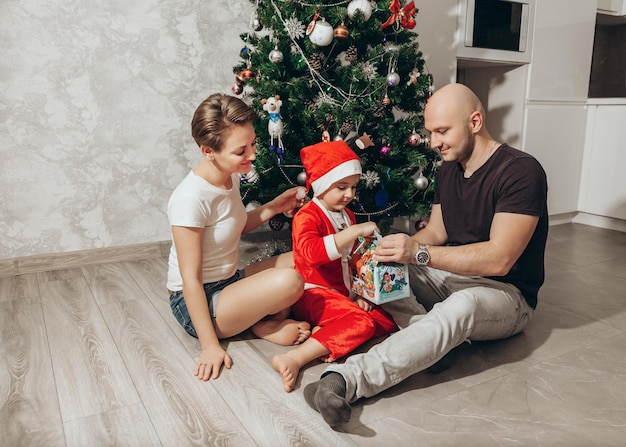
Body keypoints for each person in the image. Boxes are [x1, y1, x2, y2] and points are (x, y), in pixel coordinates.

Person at [303, 83, 549, 427]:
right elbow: (436, 233)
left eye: (442, 131)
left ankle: (345, 381)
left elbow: (500, 259)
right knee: (384, 264)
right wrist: (394, 251)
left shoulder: (521, 171)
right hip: (454, 277)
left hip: (506, 295)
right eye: (431, 132)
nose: (434, 142)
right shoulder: (448, 168)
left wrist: (417, 253)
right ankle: (431, 343)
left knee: (463, 305)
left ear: (475, 122)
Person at [167, 93, 311, 382]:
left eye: (253, 144)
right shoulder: (189, 199)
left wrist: (274, 207)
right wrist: (209, 346)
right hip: (197, 301)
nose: (253, 155)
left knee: (302, 259)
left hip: (228, 281)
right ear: (208, 151)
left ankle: (262, 321)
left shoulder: (229, 174)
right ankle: (266, 325)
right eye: (241, 150)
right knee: (291, 282)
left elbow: (234, 226)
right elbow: (190, 280)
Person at [271, 140, 398, 392]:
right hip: (312, 292)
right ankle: (294, 358)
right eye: (341, 187)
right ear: (322, 184)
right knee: (362, 323)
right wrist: (354, 232)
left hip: (343, 291)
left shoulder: (347, 215)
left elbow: (353, 258)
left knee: (386, 320)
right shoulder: (307, 215)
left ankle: (329, 333)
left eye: (352, 187)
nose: (349, 195)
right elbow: (312, 253)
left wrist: (361, 293)